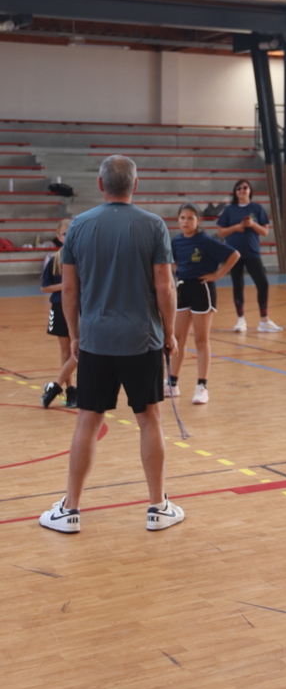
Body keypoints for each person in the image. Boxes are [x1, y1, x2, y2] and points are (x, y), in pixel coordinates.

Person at [38, 155, 184, 533]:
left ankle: (70, 510)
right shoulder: (154, 225)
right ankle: (158, 507)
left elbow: (70, 290)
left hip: (96, 341)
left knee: (88, 421)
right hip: (143, 340)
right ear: (136, 185)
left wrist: (76, 335)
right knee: (149, 419)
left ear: (101, 185)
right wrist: (169, 332)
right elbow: (165, 286)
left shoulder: (79, 227)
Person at [168, 203, 240, 404]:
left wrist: (217, 274)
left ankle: (202, 386)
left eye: (190, 218)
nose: (185, 222)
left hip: (202, 290)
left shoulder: (205, 241)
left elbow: (234, 255)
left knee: (201, 339)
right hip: (183, 289)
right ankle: (172, 383)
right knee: (178, 338)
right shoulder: (177, 241)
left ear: (198, 220)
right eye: (182, 218)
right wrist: (178, 270)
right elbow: (172, 260)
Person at [216, 179, 282, 334]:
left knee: (263, 283)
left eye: (245, 187)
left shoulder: (257, 208)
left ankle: (264, 320)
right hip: (234, 254)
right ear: (235, 192)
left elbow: (265, 231)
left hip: (252, 252)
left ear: (250, 190)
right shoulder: (229, 210)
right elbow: (221, 232)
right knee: (238, 285)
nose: (242, 190)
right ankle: (240, 320)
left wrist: (252, 225)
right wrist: (236, 227)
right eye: (238, 188)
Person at [40, 218, 78, 409]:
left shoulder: (83, 257)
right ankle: (71, 390)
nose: (69, 236)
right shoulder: (54, 260)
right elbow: (44, 287)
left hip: (81, 307)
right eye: (65, 233)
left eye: (72, 232)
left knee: (81, 349)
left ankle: (55, 386)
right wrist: (65, 286)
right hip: (60, 307)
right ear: (59, 237)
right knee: (66, 351)